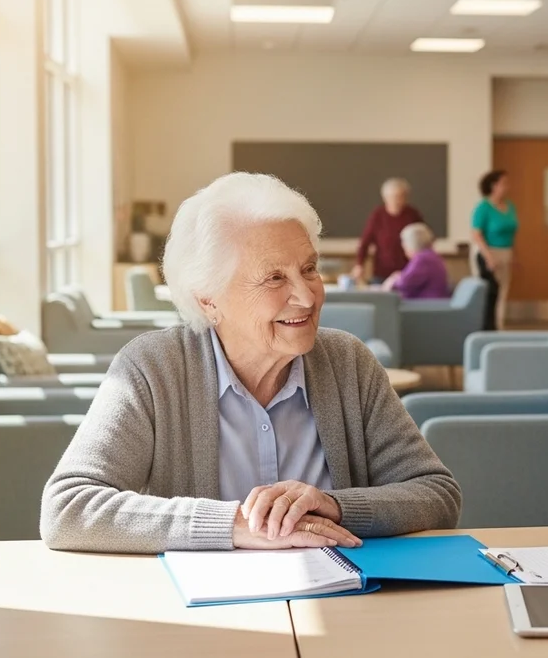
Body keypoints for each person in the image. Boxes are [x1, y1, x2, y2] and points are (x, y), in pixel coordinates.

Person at [40, 173, 462, 553]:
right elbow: (69, 507)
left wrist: (334, 506)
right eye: (275, 278)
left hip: (343, 598)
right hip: (202, 606)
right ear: (209, 300)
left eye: (309, 269)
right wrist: (232, 525)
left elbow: (436, 493)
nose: (307, 296)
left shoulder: (349, 362)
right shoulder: (152, 369)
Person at [471, 170, 518, 331]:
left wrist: (514, 255)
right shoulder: (483, 207)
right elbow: (476, 234)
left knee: (502, 293)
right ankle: (487, 327)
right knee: (490, 293)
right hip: (488, 252)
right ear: (493, 186)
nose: (507, 187)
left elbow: (512, 232)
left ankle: (499, 326)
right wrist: (489, 257)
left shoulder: (510, 206)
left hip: (506, 252)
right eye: (504, 183)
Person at [353, 178, 424, 283]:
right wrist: (359, 264)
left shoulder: (412, 215)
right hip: (381, 273)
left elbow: (424, 241)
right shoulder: (378, 216)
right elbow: (365, 243)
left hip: (408, 273)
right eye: (393, 197)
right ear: (385, 198)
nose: (397, 200)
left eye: (400, 196)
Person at [382, 222, 450, 300]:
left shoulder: (423, 259)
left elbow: (405, 283)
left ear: (410, 244)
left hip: (424, 305)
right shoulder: (432, 256)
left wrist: (394, 280)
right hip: (430, 303)